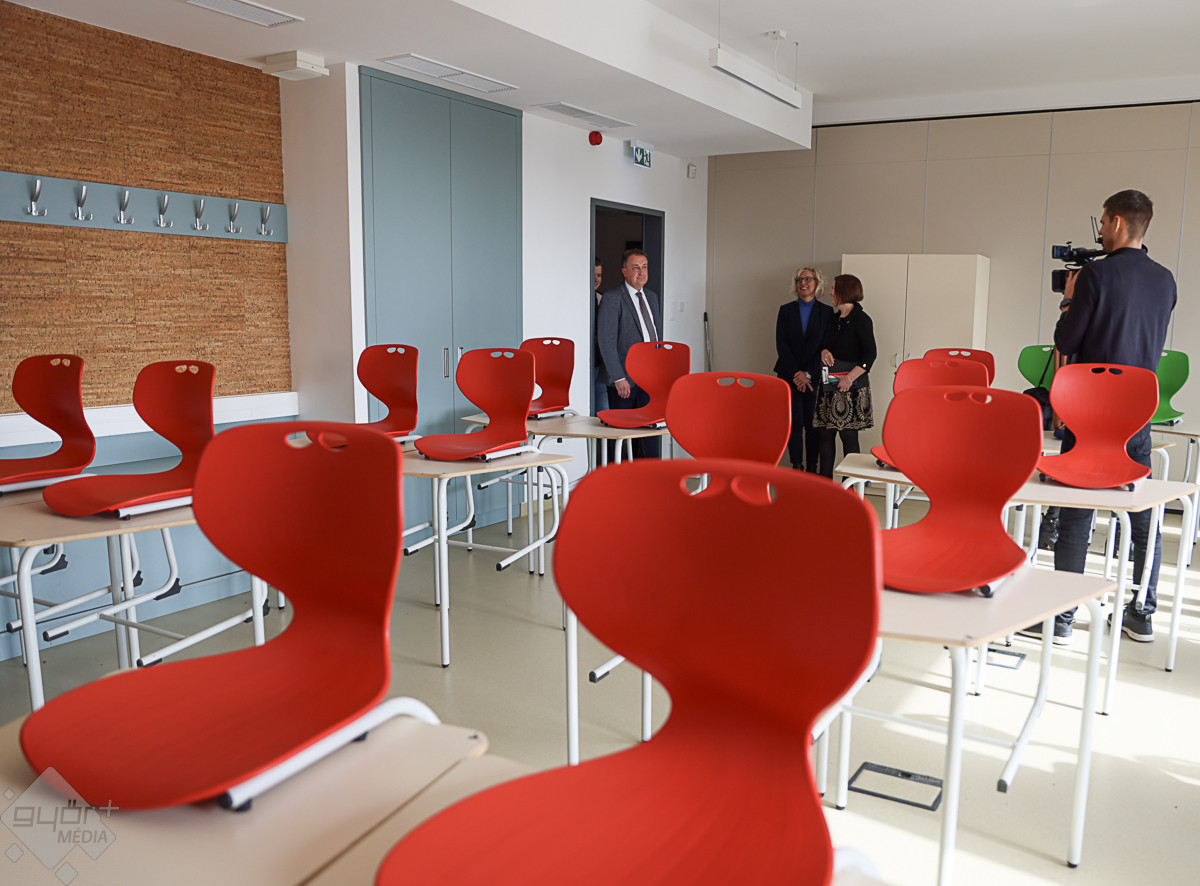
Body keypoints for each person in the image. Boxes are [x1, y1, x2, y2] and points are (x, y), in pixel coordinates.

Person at [1019, 189, 1177, 646]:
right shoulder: (1166, 280)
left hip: (1088, 413)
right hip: (1137, 417)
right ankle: (1141, 614)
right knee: (1143, 514)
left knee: (1078, 510)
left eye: (1104, 222)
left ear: (1118, 223)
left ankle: (1063, 618)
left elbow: (1066, 340)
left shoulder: (1095, 274)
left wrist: (1070, 300)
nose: (1102, 231)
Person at [597, 248, 664, 458]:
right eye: (636, 267)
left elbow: (656, 336)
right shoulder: (612, 298)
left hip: (649, 379)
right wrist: (618, 377)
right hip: (624, 380)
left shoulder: (652, 297)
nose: (641, 272)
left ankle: (649, 472)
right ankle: (619, 474)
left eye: (644, 267)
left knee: (649, 432)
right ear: (624, 271)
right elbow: (606, 341)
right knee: (621, 436)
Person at [813, 274, 876, 478]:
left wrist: (849, 378)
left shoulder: (862, 320)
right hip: (829, 384)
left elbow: (870, 355)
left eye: (833, 288)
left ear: (844, 290)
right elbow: (824, 345)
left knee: (849, 437)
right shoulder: (834, 319)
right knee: (825, 435)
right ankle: (825, 486)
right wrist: (824, 351)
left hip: (851, 386)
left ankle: (851, 488)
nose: (830, 292)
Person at [774, 267, 834, 471]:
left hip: (815, 376)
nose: (803, 283)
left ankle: (811, 468)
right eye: (799, 279)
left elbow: (826, 347)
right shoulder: (785, 310)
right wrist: (797, 374)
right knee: (794, 422)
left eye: (808, 279)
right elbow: (782, 345)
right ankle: (797, 466)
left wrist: (807, 374)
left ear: (817, 283)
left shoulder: (827, 312)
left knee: (813, 424)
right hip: (789, 375)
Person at [592, 257, 609, 415]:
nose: (596, 279)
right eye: (593, 274)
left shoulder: (603, 299)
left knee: (602, 407)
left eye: (599, 275)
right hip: (583, 361)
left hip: (599, 361)